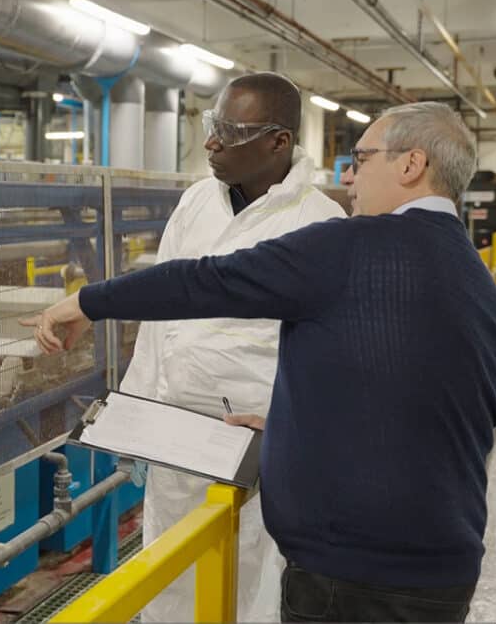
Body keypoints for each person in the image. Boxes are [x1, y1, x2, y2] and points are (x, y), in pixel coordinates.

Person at [24, 102, 496, 622]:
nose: (349, 174)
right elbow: (414, 403)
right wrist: (294, 429)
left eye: (361, 158)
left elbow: (205, 282)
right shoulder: (477, 282)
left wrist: (84, 302)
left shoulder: (348, 245)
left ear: (411, 165)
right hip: (444, 570)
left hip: (350, 576)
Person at [120, 72, 344, 623]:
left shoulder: (319, 222)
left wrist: (304, 440)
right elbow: (159, 315)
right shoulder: (197, 202)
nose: (211, 143)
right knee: (171, 575)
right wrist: (135, 410)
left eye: (229, 131)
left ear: (278, 142)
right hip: (176, 436)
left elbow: (329, 355)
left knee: (252, 582)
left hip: (259, 448)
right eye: (211, 125)